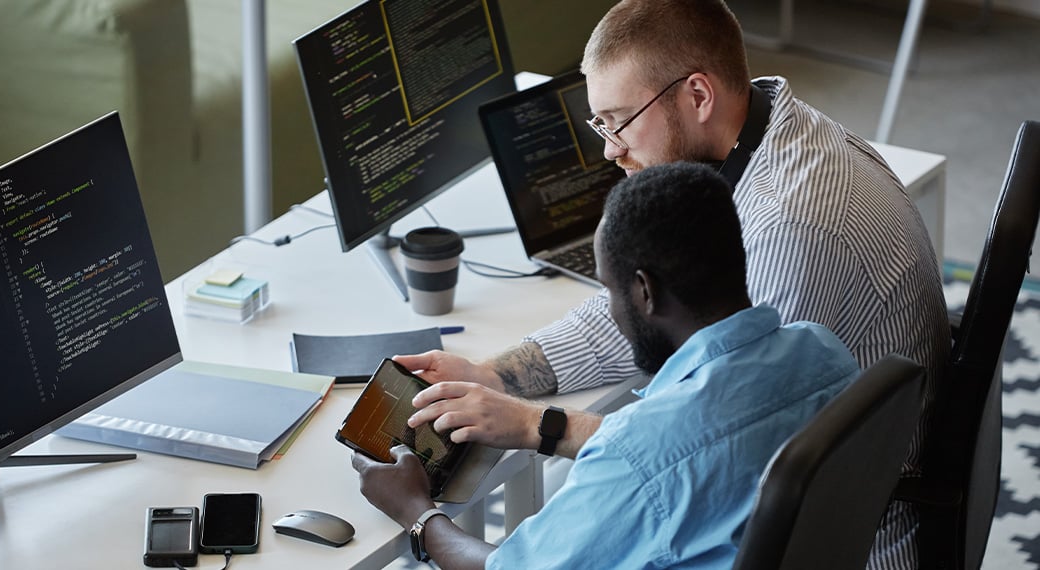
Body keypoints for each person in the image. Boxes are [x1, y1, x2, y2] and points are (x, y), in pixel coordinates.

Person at [395, 1, 949, 567]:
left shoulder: (790, 223)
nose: (610, 148)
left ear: (699, 96)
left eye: (619, 120)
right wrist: (494, 372)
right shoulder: (762, 138)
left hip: (859, 542)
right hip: (823, 506)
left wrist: (529, 426)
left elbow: (707, 441)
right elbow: (671, 315)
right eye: (600, 124)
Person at [354, 163, 860, 569]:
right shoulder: (824, 353)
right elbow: (698, 446)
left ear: (644, 290)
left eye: (608, 288)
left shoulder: (637, 456)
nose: (610, 307)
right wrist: (539, 423)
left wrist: (415, 512)